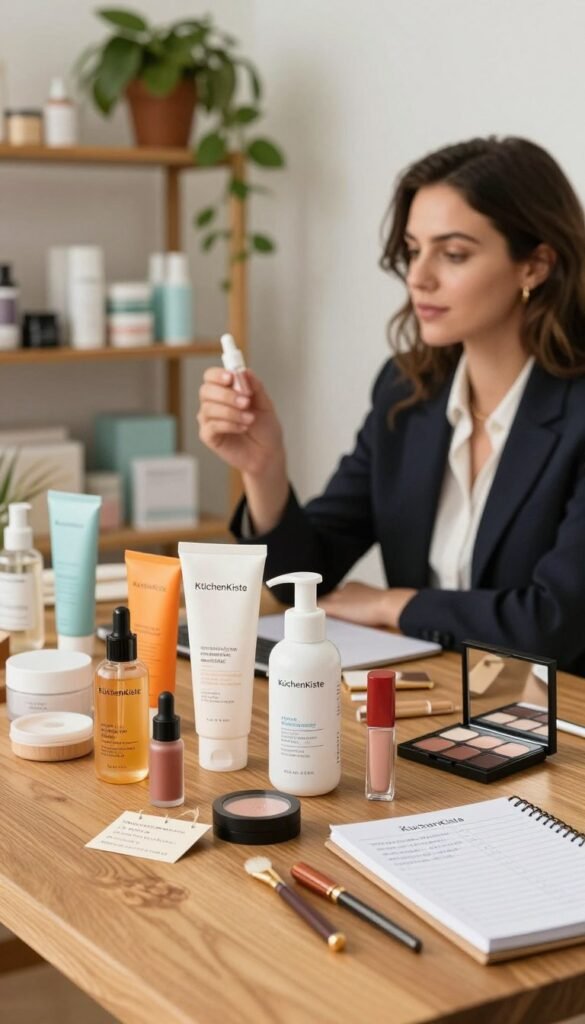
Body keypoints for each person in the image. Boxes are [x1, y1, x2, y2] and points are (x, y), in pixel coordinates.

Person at [198, 136, 585, 674]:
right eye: (413, 249)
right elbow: (304, 579)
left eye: (453, 254)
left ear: (535, 265)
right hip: (435, 691)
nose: (419, 277)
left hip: (556, 711)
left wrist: (392, 604)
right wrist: (263, 467)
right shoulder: (407, 392)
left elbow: (557, 624)